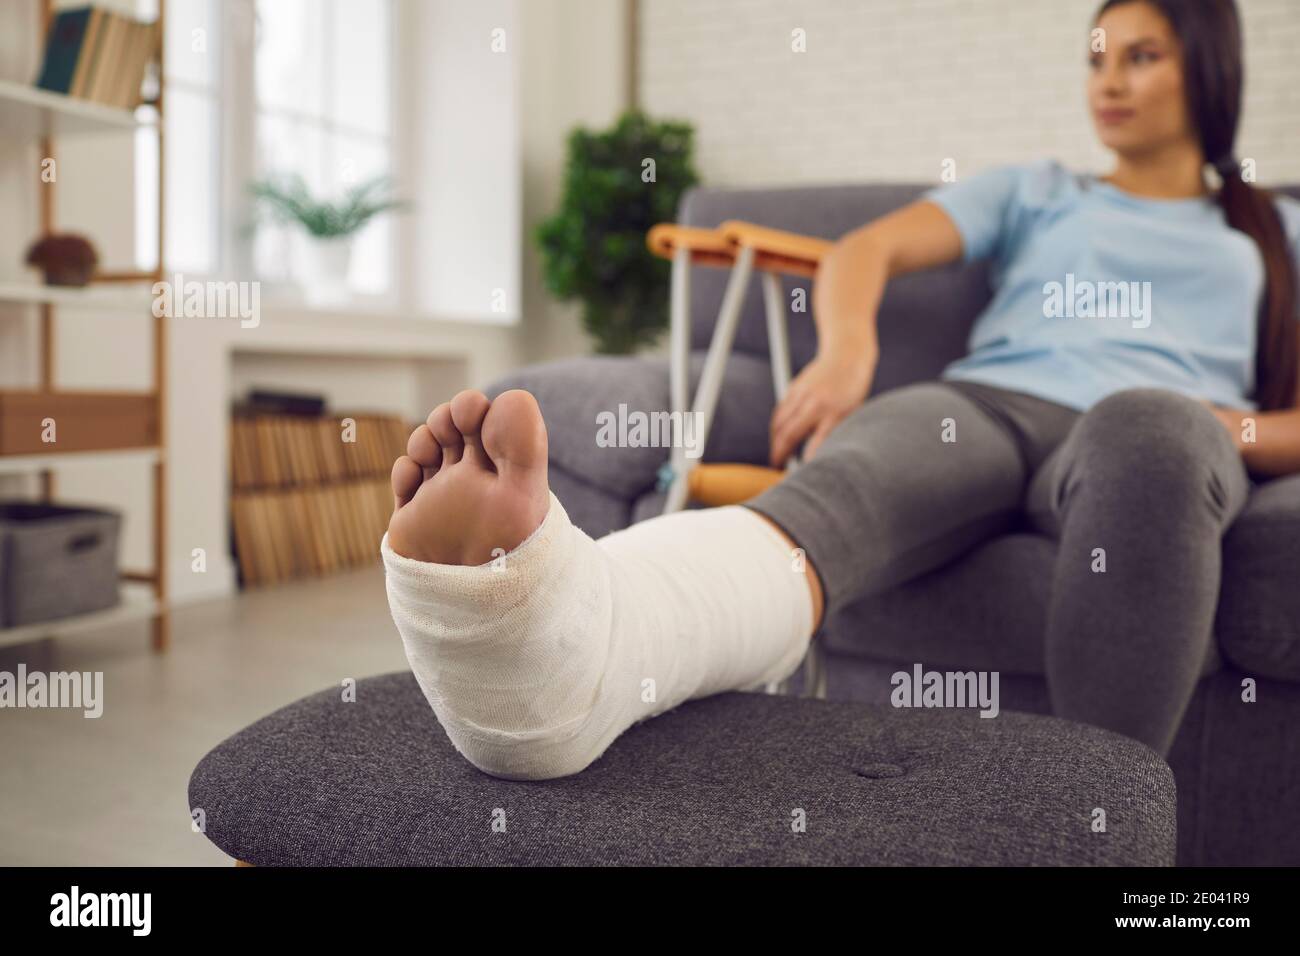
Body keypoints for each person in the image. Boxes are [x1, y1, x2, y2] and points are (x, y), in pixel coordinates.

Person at [381, 0, 1300, 780]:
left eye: (1142, 58)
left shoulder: (1273, 228)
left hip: (1157, 427)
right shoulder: (1040, 189)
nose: (1109, 82)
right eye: (1097, 58)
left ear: (1208, 70)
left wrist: (1242, 435)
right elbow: (870, 250)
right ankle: (562, 657)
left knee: (1147, 433)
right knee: (846, 488)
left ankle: (1095, 830)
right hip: (987, 406)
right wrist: (849, 349)